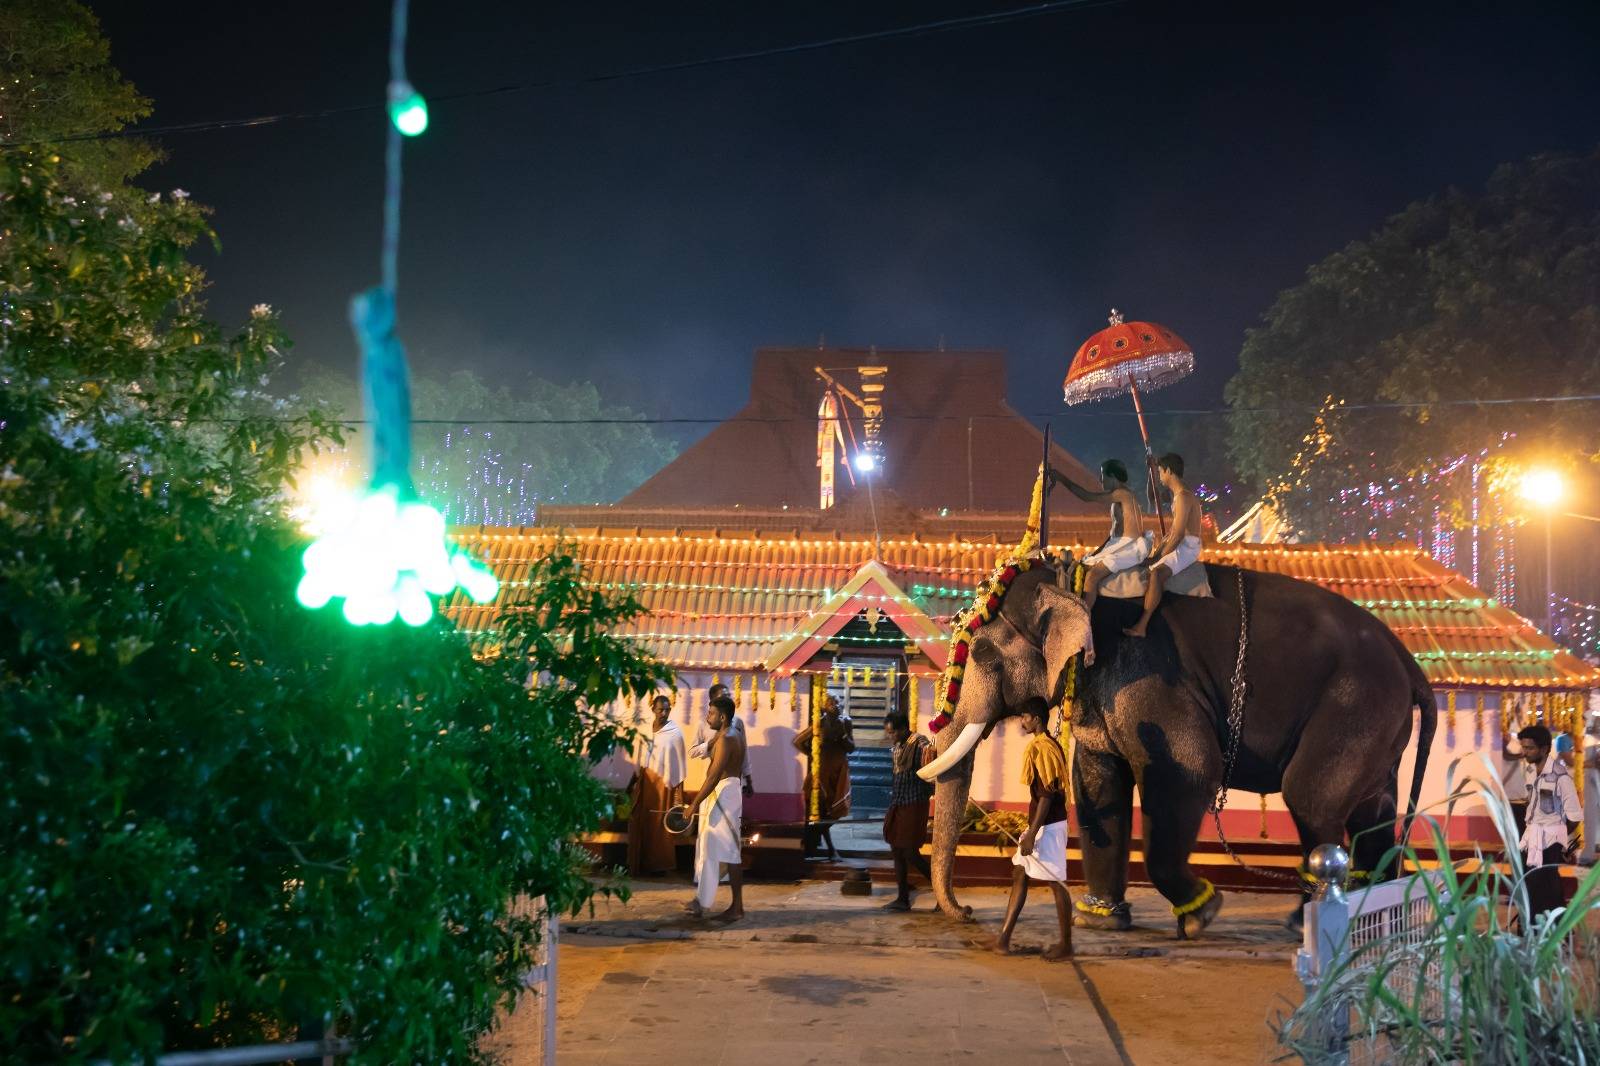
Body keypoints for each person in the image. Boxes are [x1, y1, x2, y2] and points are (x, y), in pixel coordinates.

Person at [994, 701, 1073, 959]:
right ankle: (1003, 940)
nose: (1022, 721)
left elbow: (1047, 796)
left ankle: (1066, 945)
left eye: (1025, 717)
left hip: (1048, 826)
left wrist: (1031, 834)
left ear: (1037, 719)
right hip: (1040, 825)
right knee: (1019, 874)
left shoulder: (1042, 749)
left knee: (1056, 882)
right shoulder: (1046, 745)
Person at [1048, 459, 1148, 613]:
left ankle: (1082, 618)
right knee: (1083, 564)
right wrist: (1097, 552)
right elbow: (1113, 535)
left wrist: (1062, 479)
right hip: (1118, 545)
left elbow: (1087, 497)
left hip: (1129, 547)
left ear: (1113, 476)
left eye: (1103, 475)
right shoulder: (1117, 497)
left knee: (1092, 577)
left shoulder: (1123, 494)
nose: (1101, 480)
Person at [1124, 453, 1203, 639]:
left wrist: (1158, 558)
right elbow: (1170, 533)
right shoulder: (1177, 495)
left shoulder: (1183, 497)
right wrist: (1155, 553)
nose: (1160, 476)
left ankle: (1142, 626)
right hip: (1181, 542)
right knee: (1149, 564)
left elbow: (1177, 535)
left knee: (1156, 573)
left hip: (1188, 546)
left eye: (1160, 472)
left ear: (1169, 471)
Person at [684, 695, 745, 921]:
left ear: (722, 716)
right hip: (724, 793)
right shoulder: (728, 734)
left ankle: (737, 908)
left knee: (730, 852)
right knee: (710, 848)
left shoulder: (728, 738)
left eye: (710, 713)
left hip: (724, 794)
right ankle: (702, 901)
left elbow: (713, 777)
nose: (706, 717)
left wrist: (694, 804)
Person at [1516, 724, 1581, 922]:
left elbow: (1575, 817)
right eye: (1524, 747)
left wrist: (1558, 839)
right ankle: (1531, 931)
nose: (1525, 752)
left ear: (1544, 749)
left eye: (1530, 748)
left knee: (1550, 888)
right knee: (1531, 886)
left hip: (1550, 841)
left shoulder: (1561, 777)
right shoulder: (1529, 772)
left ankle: (1557, 933)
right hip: (1531, 837)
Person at [626, 694, 686, 876]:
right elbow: (639, 759)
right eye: (661, 709)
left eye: (668, 709)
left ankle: (658, 867)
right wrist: (631, 784)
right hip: (645, 783)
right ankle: (639, 864)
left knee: (659, 825)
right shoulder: (644, 729)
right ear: (653, 709)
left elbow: (679, 765)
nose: (664, 713)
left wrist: (678, 794)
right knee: (640, 822)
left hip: (664, 786)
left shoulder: (675, 733)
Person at [881, 709, 934, 911]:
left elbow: (931, 766)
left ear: (904, 729)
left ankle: (941, 888)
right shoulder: (898, 747)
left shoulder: (920, 743)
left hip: (915, 803)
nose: (890, 736)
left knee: (910, 852)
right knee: (896, 849)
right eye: (888, 732)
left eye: (892, 732)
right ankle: (902, 896)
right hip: (899, 802)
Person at [793, 693, 854, 860]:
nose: (836, 704)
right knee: (822, 812)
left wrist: (843, 735)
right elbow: (798, 741)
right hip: (821, 774)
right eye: (831, 702)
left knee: (837, 810)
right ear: (824, 707)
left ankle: (811, 841)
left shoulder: (846, 722)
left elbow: (851, 748)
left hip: (839, 773)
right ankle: (829, 849)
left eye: (838, 701)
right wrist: (813, 755)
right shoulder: (819, 723)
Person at [691, 683, 754, 796]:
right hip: (709, 778)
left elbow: (744, 751)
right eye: (724, 696)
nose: (728, 699)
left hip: (732, 780)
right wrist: (711, 742)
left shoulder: (737, 722)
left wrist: (748, 780)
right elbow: (692, 752)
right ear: (713, 700)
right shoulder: (703, 724)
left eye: (729, 696)